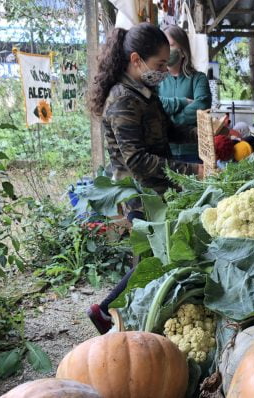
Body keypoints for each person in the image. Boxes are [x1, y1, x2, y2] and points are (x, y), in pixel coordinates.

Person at [87, 22, 185, 334]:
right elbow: (137, 160)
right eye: (159, 65)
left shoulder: (145, 93)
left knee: (153, 257)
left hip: (156, 188)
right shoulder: (122, 99)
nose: (164, 71)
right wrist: (193, 170)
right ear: (136, 60)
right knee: (153, 259)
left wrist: (207, 131)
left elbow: (170, 131)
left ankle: (130, 318)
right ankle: (105, 311)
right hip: (137, 191)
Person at [158, 26, 211, 162]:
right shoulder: (156, 80)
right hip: (164, 152)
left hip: (194, 151)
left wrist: (171, 121)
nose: (165, 51)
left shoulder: (198, 78)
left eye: (170, 45)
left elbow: (202, 104)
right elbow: (156, 104)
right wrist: (183, 102)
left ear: (182, 51)